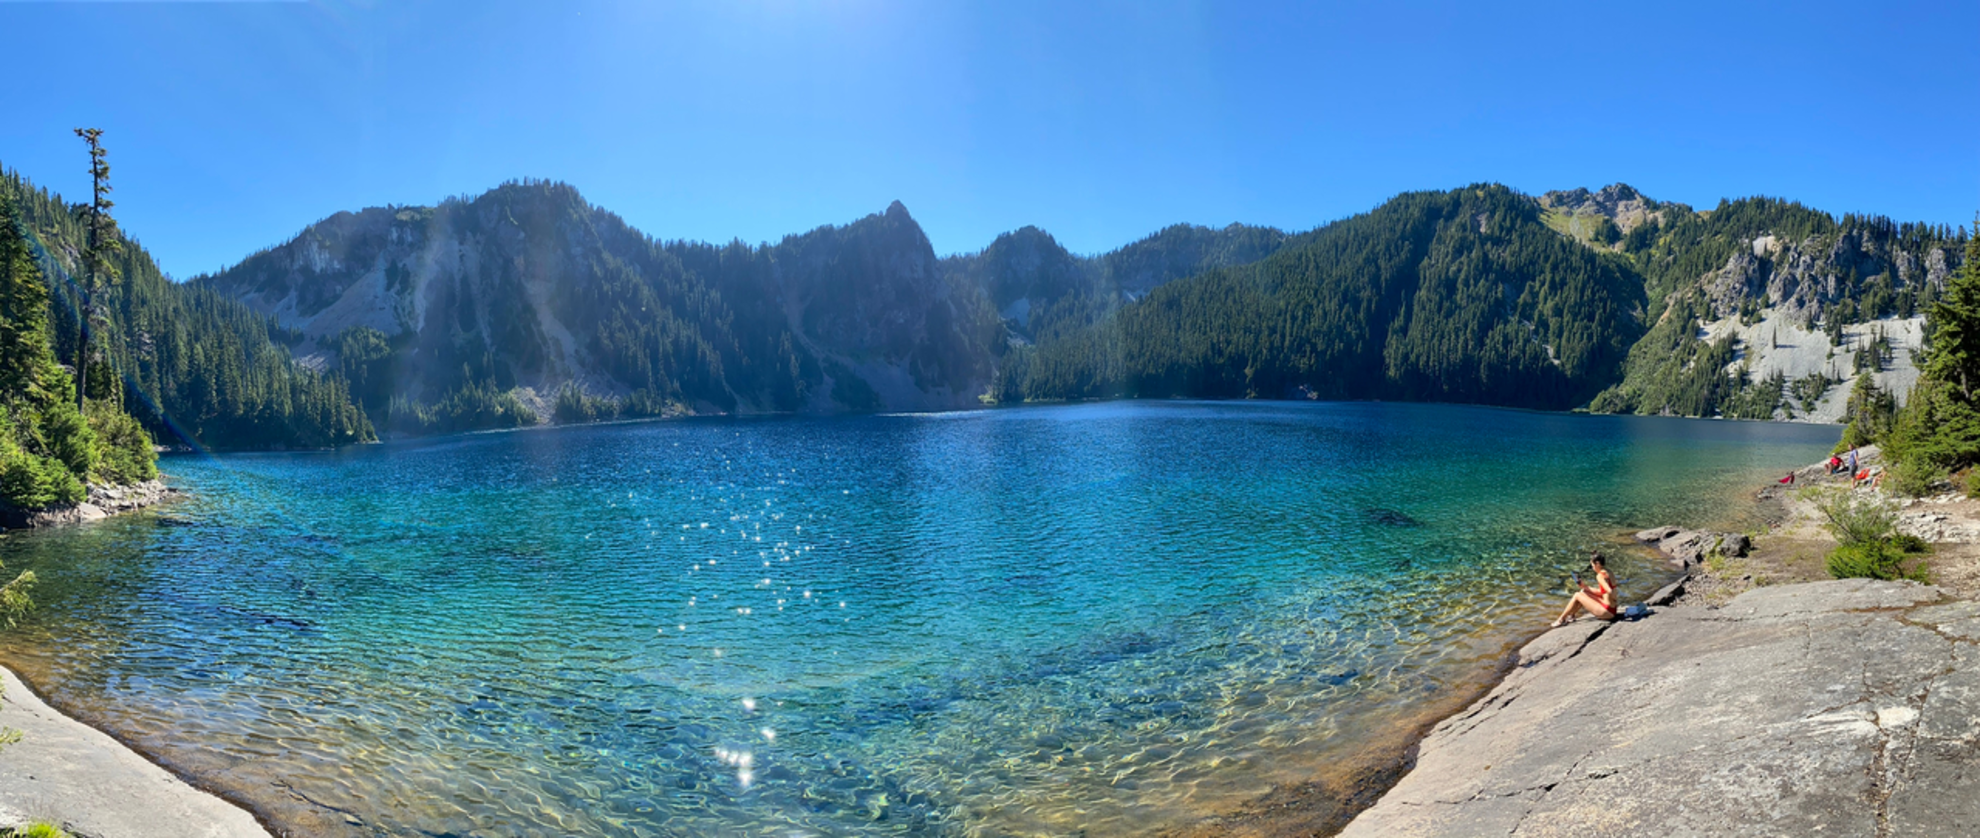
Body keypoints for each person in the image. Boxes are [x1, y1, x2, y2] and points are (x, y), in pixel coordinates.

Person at [1551, 553, 1620, 627]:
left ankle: (1561, 619)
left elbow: (1609, 591)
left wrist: (1613, 596)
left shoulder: (1600, 576)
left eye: (1592, 566)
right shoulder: (1609, 571)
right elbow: (1602, 592)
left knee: (1577, 595)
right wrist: (1584, 586)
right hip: (1612, 609)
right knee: (1583, 592)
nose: (1592, 568)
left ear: (1597, 564)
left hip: (1606, 612)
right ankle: (1572, 615)